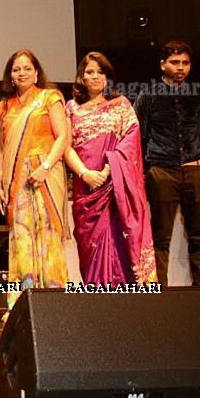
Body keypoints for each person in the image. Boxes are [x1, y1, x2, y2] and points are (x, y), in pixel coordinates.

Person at [64, 52, 156, 286]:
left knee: (116, 242)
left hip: (114, 188)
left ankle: (122, 299)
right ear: (81, 77)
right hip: (86, 189)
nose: (95, 76)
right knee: (89, 246)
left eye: (100, 72)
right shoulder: (72, 108)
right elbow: (66, 147)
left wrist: (107, 172)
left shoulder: (121, 105)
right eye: (89, 72)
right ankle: (96, 299)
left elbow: (130, 141)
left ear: (108, 76)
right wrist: (85, 174)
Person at [0, 50, 70, 315]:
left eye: (27, 68)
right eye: (17, 69)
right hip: (16, 177)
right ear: (10, 75)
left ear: (36, 72)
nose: (22, 73)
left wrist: (46, 167)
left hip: (45, 172)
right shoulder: (5, 107)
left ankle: (53, 301)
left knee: (48, 234)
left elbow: (63, 137)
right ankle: (21, 304)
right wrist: (0, 181)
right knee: (22, 236)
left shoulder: (50, 98)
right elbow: (2, 148)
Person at [133, 40, 200, 286]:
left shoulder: (199, 96)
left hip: (195, 170)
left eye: (185, 63)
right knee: (160, 237)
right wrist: (148, 171)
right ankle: (160, 297)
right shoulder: (149, 95)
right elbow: (139, 136)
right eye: (175, 62)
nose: (180, 68)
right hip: (162, 171)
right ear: (163, 64)